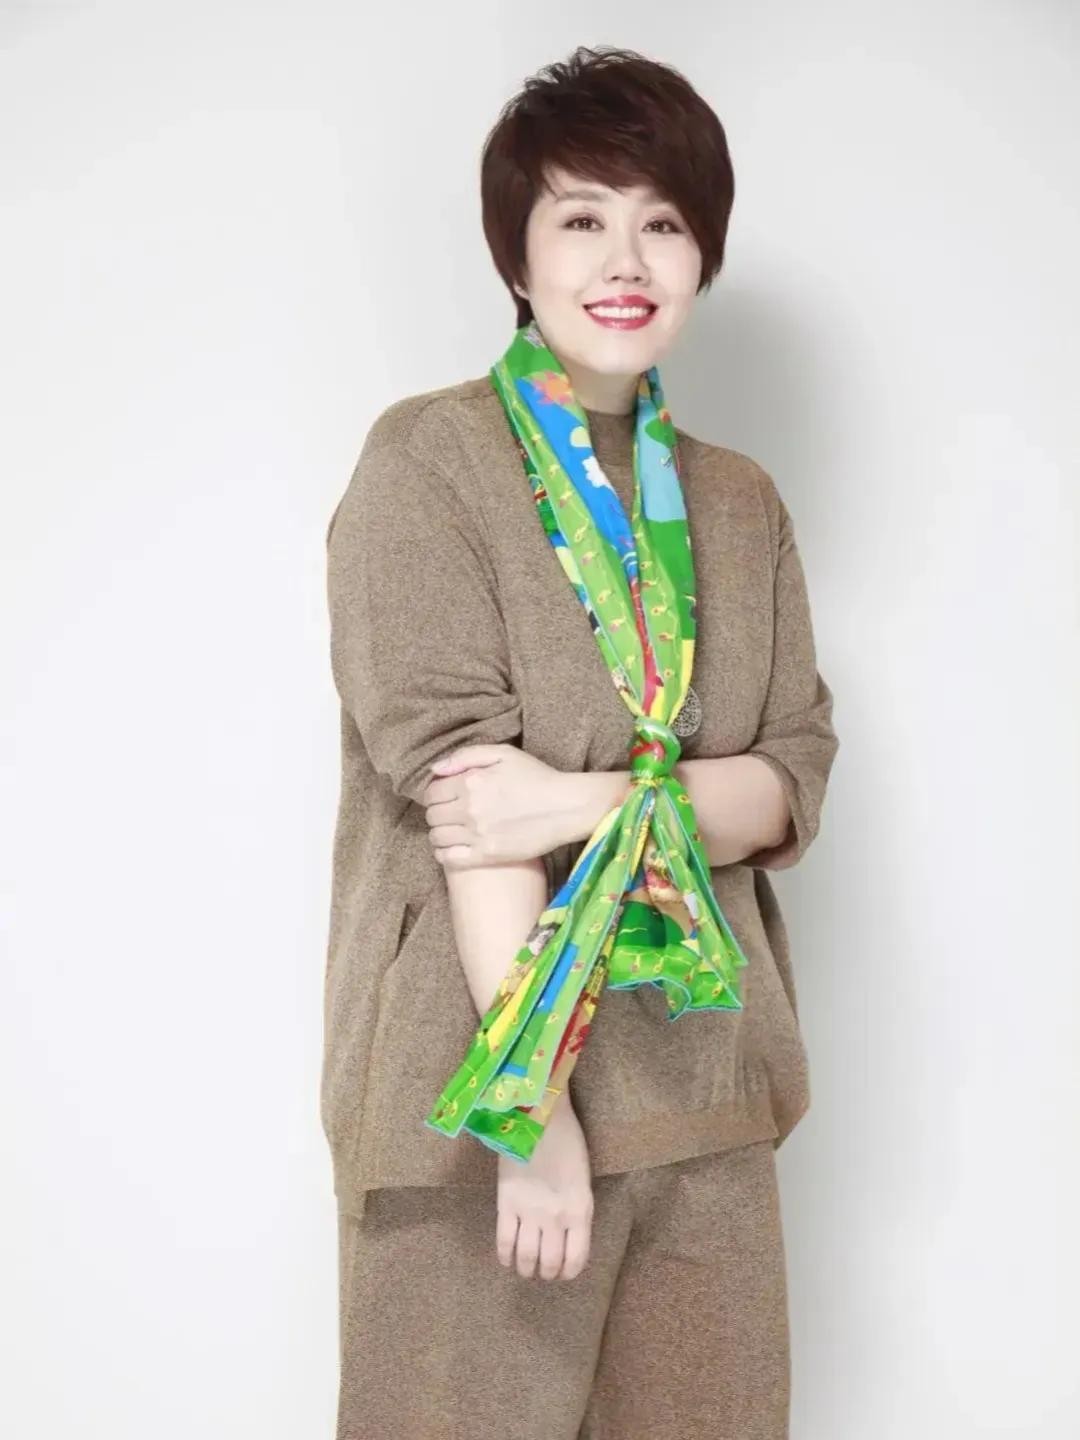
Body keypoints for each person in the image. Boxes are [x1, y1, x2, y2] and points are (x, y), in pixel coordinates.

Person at [323, 43, 839, 1440]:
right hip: (476, 1107)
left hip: (706, 1093)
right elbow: (470, 811)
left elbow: (788, 781)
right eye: (582, 217)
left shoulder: (740, 502)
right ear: (518, 254)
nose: (626, 259)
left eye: (663, 222)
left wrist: (577, 801)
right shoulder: (428, 462)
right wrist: (534, 1117)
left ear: (702, 253)